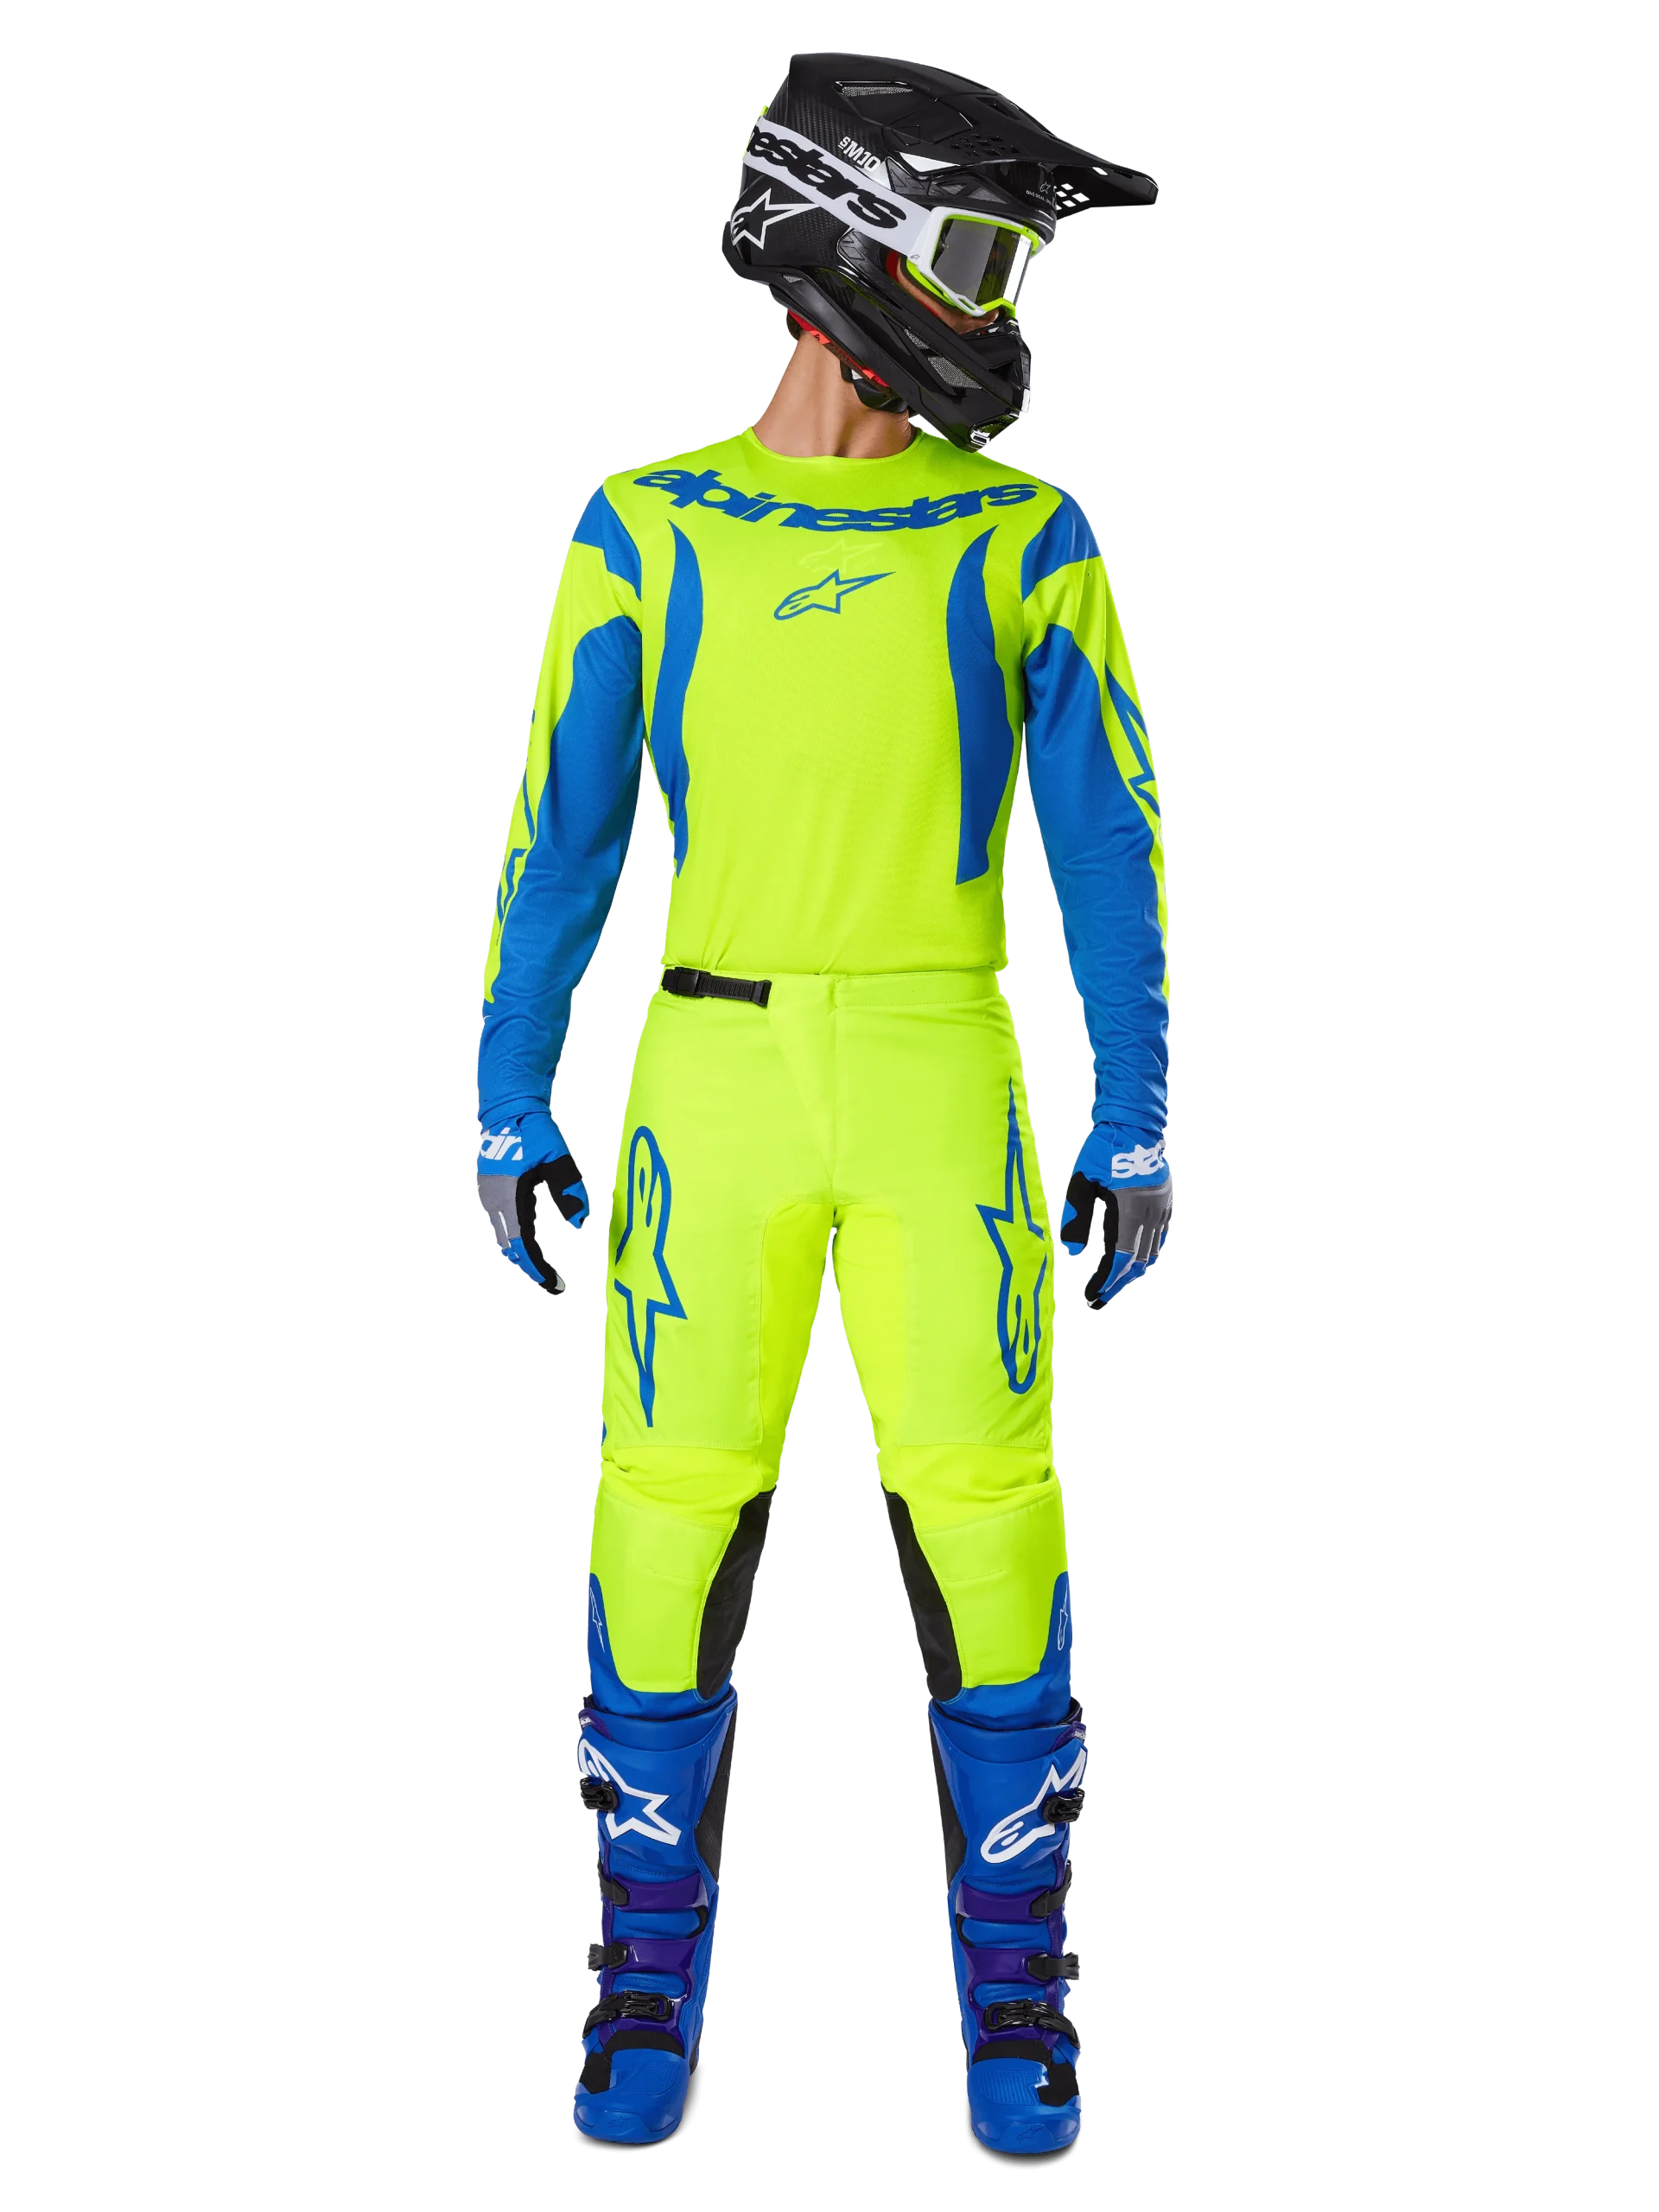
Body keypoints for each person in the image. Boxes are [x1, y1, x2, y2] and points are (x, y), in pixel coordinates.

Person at [474, 53, 1167, 2158]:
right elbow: (563, 833)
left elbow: (1108, 841)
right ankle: (643, 1973)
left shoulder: (1029, 536)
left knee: (993, 1510)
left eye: (1018, 264)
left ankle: (1020, 1985)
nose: (1002, 298)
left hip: (949, 1063)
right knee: (662, 1511)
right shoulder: (645, 525)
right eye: (978, 250)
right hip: (712, 1076)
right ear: (835, 232)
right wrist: (509, 1099)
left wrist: (1134, 1112)